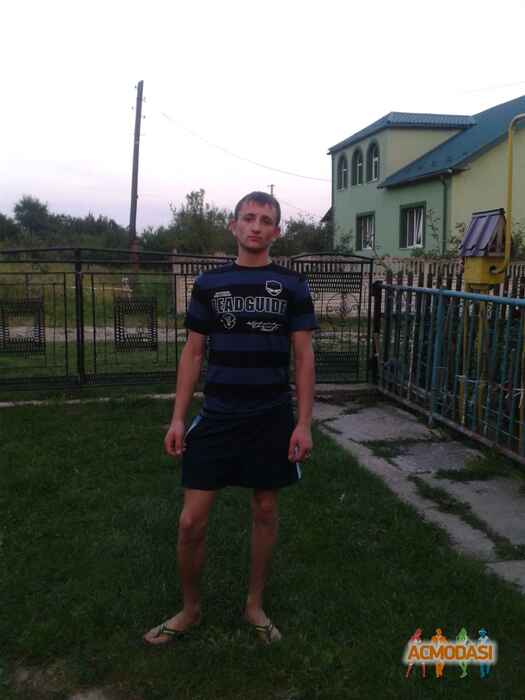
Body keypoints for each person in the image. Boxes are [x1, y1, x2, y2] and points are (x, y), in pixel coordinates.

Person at [144, 191, 317, 645]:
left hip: (271, 415)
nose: (256, 226)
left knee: (265, 509)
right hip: (218, 414)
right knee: (190, 522)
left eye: (266, 220)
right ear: (233, 225)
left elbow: (303, 357)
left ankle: (254, 605)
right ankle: (190, 610)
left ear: (277, 231)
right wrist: (177, 418)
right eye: (249, 218)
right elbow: (193, 352)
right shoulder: (210, 284)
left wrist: (303, 423)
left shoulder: (293, 285)